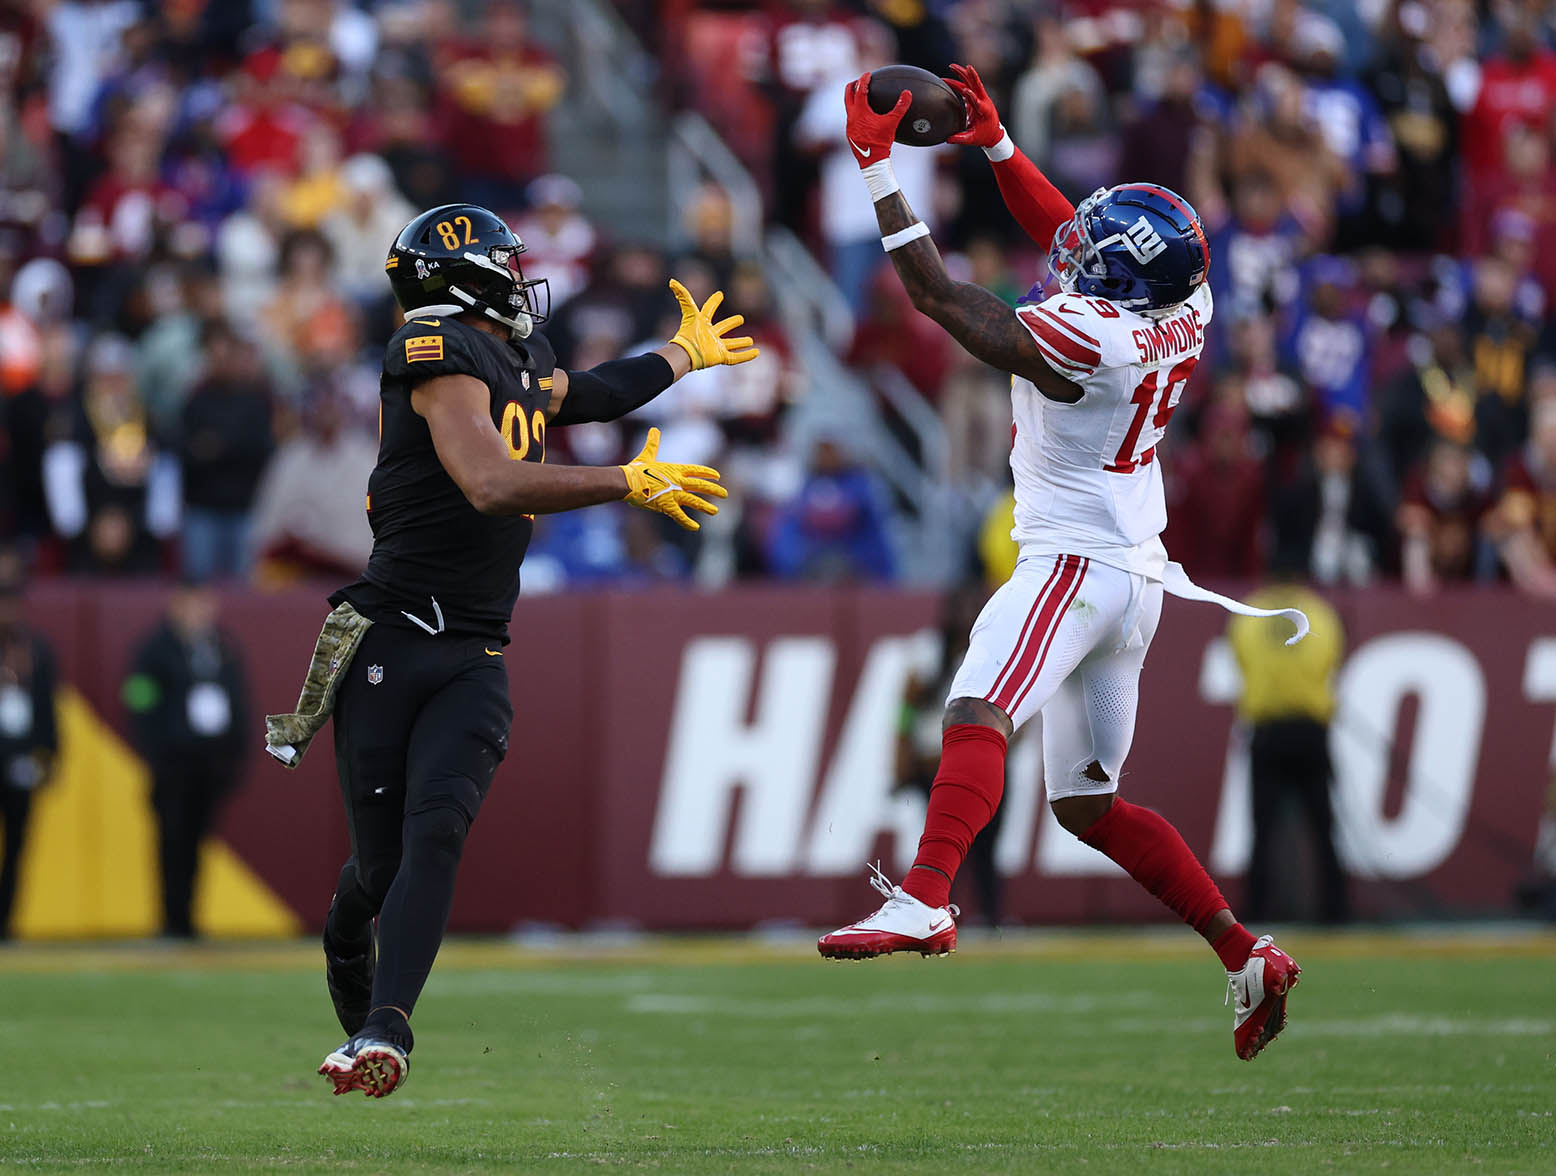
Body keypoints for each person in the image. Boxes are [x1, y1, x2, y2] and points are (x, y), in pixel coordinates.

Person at [817, 66, 1310, 1063]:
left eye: (1091, 252)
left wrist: (874, 165)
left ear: (1119, 279)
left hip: (1075, 564)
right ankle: (1241, 951)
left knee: (974, 709)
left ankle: (923, 897)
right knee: (1086, 804)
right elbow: (1065, 236)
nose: (1068, 250)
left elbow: (937, 298)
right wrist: (995, 144)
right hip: (1134, 572)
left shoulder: (1090, 340)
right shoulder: (1185, 304)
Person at [264, 203, 756, 1098]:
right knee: (380, 869)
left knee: (437, 833)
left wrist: (682, 355)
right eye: (505, 262)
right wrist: (623, 481)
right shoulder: (432, 351)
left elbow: (589, 394)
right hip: (392, 633)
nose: (522, 277)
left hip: (474, 649)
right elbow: (490, 482)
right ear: (465, 278)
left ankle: (388, 1027)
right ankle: (346, 930)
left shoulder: (517, 355)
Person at [123, 581, 251, 939]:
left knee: (198, 842)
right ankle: (171, 918)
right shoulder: (155, 649)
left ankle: (189, 917)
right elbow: (139, 700)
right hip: (173, 765)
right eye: (193, 605)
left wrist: (235, 756)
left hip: (209, 764)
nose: (200, 613)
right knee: (171, 841)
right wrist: (156, 752)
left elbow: (239, 702)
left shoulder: (222, 646)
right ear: (176, 606)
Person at [1226, 565, 1348, 925]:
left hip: (1267, 731)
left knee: (1262, 829)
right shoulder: (1320, 612)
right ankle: (1335, 911)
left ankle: (1257, 912)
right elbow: (1330, 660)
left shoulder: (1250, 613)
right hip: (1310, 730)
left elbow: (1241, 661)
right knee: (1323, 825)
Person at [0, 550, 59, 940]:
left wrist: (50, 755)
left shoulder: (36, 650)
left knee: (17, 846)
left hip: (20, 761)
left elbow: (47, 709)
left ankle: (5, 920)